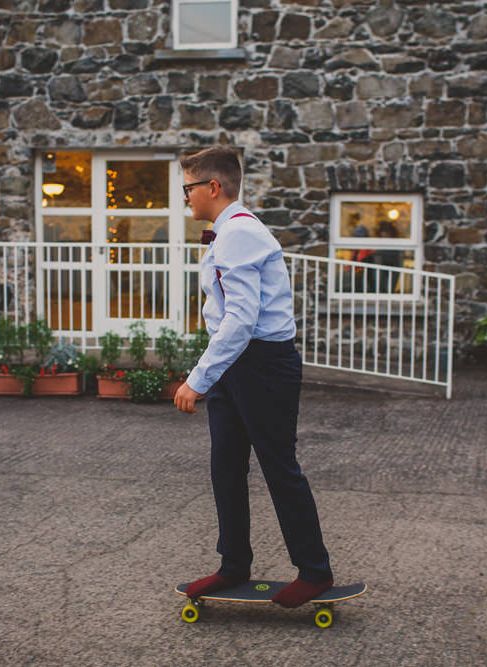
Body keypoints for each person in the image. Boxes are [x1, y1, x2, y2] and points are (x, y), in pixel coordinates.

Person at [173, 146, 333, 608]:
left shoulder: (238, 235)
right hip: (237, 365)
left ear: (213, 187)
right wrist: (214, 372)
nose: (186, 197)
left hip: (261, 364)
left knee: (279, 468)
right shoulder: (230, 233)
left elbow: (242, 319)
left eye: (189, 187)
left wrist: (197, 379)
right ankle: (233, 565)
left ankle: (315, 571)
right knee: (225, 466)